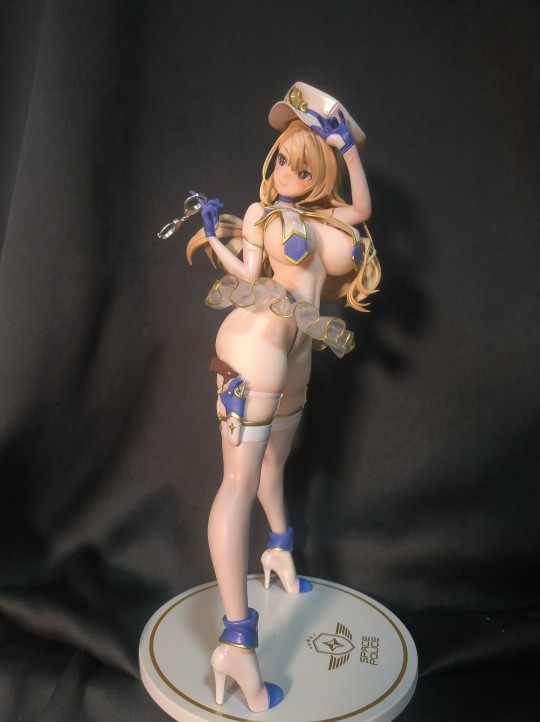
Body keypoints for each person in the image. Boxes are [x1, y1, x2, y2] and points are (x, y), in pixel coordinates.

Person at [186, 82, 380, 712]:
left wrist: (347, 149)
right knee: (239, 482)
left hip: (300, 350)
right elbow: (248, 274)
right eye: (283, 161)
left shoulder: (328, 219)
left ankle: (279, 551)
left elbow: (361, 210)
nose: (287, 173)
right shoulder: (262, 215)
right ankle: (236, 642)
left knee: (275, 464)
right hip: (258, 342)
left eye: (304, 166)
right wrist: (214, 237)